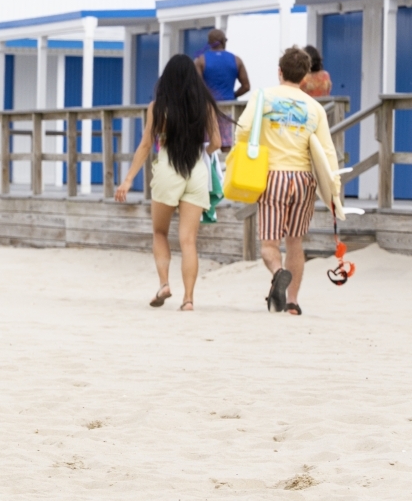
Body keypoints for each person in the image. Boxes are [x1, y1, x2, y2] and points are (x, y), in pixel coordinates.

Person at [115, 54, 224, 311]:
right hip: (196, 171)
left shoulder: (157, 107)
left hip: (167, 169)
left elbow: (145, 145)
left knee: (160, 232)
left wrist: (128, 179)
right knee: (188, 240)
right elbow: (217, 143)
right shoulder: (204, 106)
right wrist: (201, 154)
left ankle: (164, 284)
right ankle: (188, 299)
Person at [236, 47, 338, 316]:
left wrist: (242, 149)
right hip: (304, 179)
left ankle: (279, 273)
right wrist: (334, 195)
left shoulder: (262, 96)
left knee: (270, 243)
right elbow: (327, 152)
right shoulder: (315, 107)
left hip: (273, 177)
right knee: (295, 242)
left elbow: (244, 129)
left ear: (279, 71)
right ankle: (292, 302)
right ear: (305, 75)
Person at [194, 28, 251, 152]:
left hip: (208, 110)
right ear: (224, 42)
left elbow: (196, 86)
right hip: (229, 110)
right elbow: (246, 86)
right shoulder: (236, 60)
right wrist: (233, 95)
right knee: (228, 148)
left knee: (207, 147)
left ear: (209, 43)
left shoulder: (201, 60)